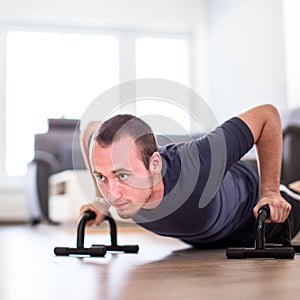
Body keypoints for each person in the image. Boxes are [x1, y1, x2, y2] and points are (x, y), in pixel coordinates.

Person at [79, 104, 300, 247]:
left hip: (251, 216)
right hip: (206, 239)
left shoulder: (198, 161)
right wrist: (99, 200)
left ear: (154, 165)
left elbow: (267, 115)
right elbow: (89, 130)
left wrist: (269, 192)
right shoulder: (117, 188)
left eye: (123, 176)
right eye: (102, 177)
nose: (113, 194)